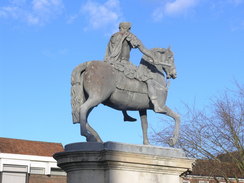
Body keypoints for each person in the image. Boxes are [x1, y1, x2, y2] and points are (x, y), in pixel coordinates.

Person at [104, 22, 166, 120]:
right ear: (128, 28)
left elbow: (108, 52)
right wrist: (153, 57)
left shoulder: (113, 36)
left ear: (119, 27)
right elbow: (143, 50)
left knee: (123, 84)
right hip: (124, 64)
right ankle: (156, 105)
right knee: (148, 79)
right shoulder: (129, 36)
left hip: (111, 62)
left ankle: (125, 114)